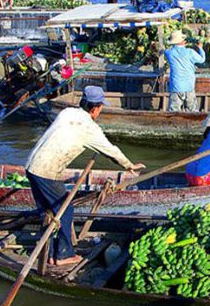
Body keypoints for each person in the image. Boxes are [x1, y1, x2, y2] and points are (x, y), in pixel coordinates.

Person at [24, 86, 146, 266]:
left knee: (47, 212)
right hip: (46, 171)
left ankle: (49, 253)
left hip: (31, 166)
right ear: (95, 108)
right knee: (65, 210)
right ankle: (63, 255)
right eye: (100, 108)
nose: (100, 111)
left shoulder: (67, 112)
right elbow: (111, 150)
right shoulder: (90, 128)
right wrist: (129, 165)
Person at [164, 30, 206, 112]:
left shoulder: (169, 53)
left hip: (176, 86)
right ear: (182, 41)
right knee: (192, 111)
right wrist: (200, 48)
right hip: (189, 86)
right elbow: (202, 60)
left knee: (173, 112)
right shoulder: (190, 52)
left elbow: (163, 50)